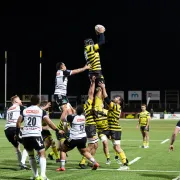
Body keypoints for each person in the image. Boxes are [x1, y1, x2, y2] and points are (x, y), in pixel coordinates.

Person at [16, 95, 62, 180]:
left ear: (31, 101)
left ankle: (36, 176)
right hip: (36, 135)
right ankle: (43, 176)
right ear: (38, 102)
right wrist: (57, 130)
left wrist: (17, 133)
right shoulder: (41, 111)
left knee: (31, 156)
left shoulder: (25, 110)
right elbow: (49, 123)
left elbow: (18, 122)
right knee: (42, 154)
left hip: (26, 136)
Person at [56, 105, 99, 171]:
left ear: (76, 110)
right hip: (83, 138)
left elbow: (62, 118)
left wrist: (64, 110)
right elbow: (76, 114)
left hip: (74, 138)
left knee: (63, 149)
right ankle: (95, 163)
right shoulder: (83, 116)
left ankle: (62, 167)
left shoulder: (71, 117)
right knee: (84, 152)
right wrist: (73, 110)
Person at [98, 82, 129, 170]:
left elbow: (107, 99)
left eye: (117, 98)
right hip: (112, 129)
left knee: (117, 147)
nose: (115, 98)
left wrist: (103, 87)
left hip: (115, 130)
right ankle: (124, 160)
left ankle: (125, 163)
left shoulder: (116, 106)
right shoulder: (115, 107)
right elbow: (106, 100)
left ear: (119, 101)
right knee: (115, 146)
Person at [4, 95, 30, 170]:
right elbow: (30, 111)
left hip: (7, 130)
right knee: (27, 145)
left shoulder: (9, 109)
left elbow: (10, 120)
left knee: (17, 147)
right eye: (19, 100)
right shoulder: (19, 107)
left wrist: (20, 126)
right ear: (15, 101)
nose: (21, 101)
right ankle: (22, 163)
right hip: (14, 129)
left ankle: (21, 164)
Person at [79, 76, 99, 168]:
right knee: (91, 145)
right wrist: (93, 82)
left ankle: (91, 161)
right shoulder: (87, 105)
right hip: (90, 126)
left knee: (95, 145)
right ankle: (82, 162)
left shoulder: (91, 106)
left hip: (92, 126)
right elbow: (91, 92)